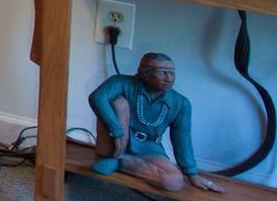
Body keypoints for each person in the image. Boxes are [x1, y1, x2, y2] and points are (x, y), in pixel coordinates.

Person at [87, 53, 219, 192]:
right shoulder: (121, 82)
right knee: (118, 102)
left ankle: (121, 162)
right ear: (145, 73)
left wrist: (191, 173)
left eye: (172, 73)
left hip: (150, 148)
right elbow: (97, 97)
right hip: (114, 142)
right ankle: (117, 155)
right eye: (163, 73)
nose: (169, 79)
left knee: (173, 182)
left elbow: (182, 138)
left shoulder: (181, 103)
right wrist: (116, 130)